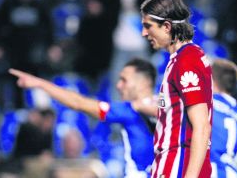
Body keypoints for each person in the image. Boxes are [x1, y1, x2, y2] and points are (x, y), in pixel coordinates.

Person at [9, 58, 156, 178]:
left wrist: (40, 84)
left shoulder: (137, 110)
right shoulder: (134, 110)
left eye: (124, 80)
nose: (118, 86)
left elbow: (78, 103)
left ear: (144, 83)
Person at [140, 0, 213, 178]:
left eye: (148, 26)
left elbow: (202, 127)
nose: (144, 33)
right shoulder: (182, 58)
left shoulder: (187, 61)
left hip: (178, 167)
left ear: (166, 26)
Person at [211, 59, 237, 178]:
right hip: (233, 172)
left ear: (211, 80)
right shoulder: (236, 108)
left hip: (211, 170)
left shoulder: (206, 102)